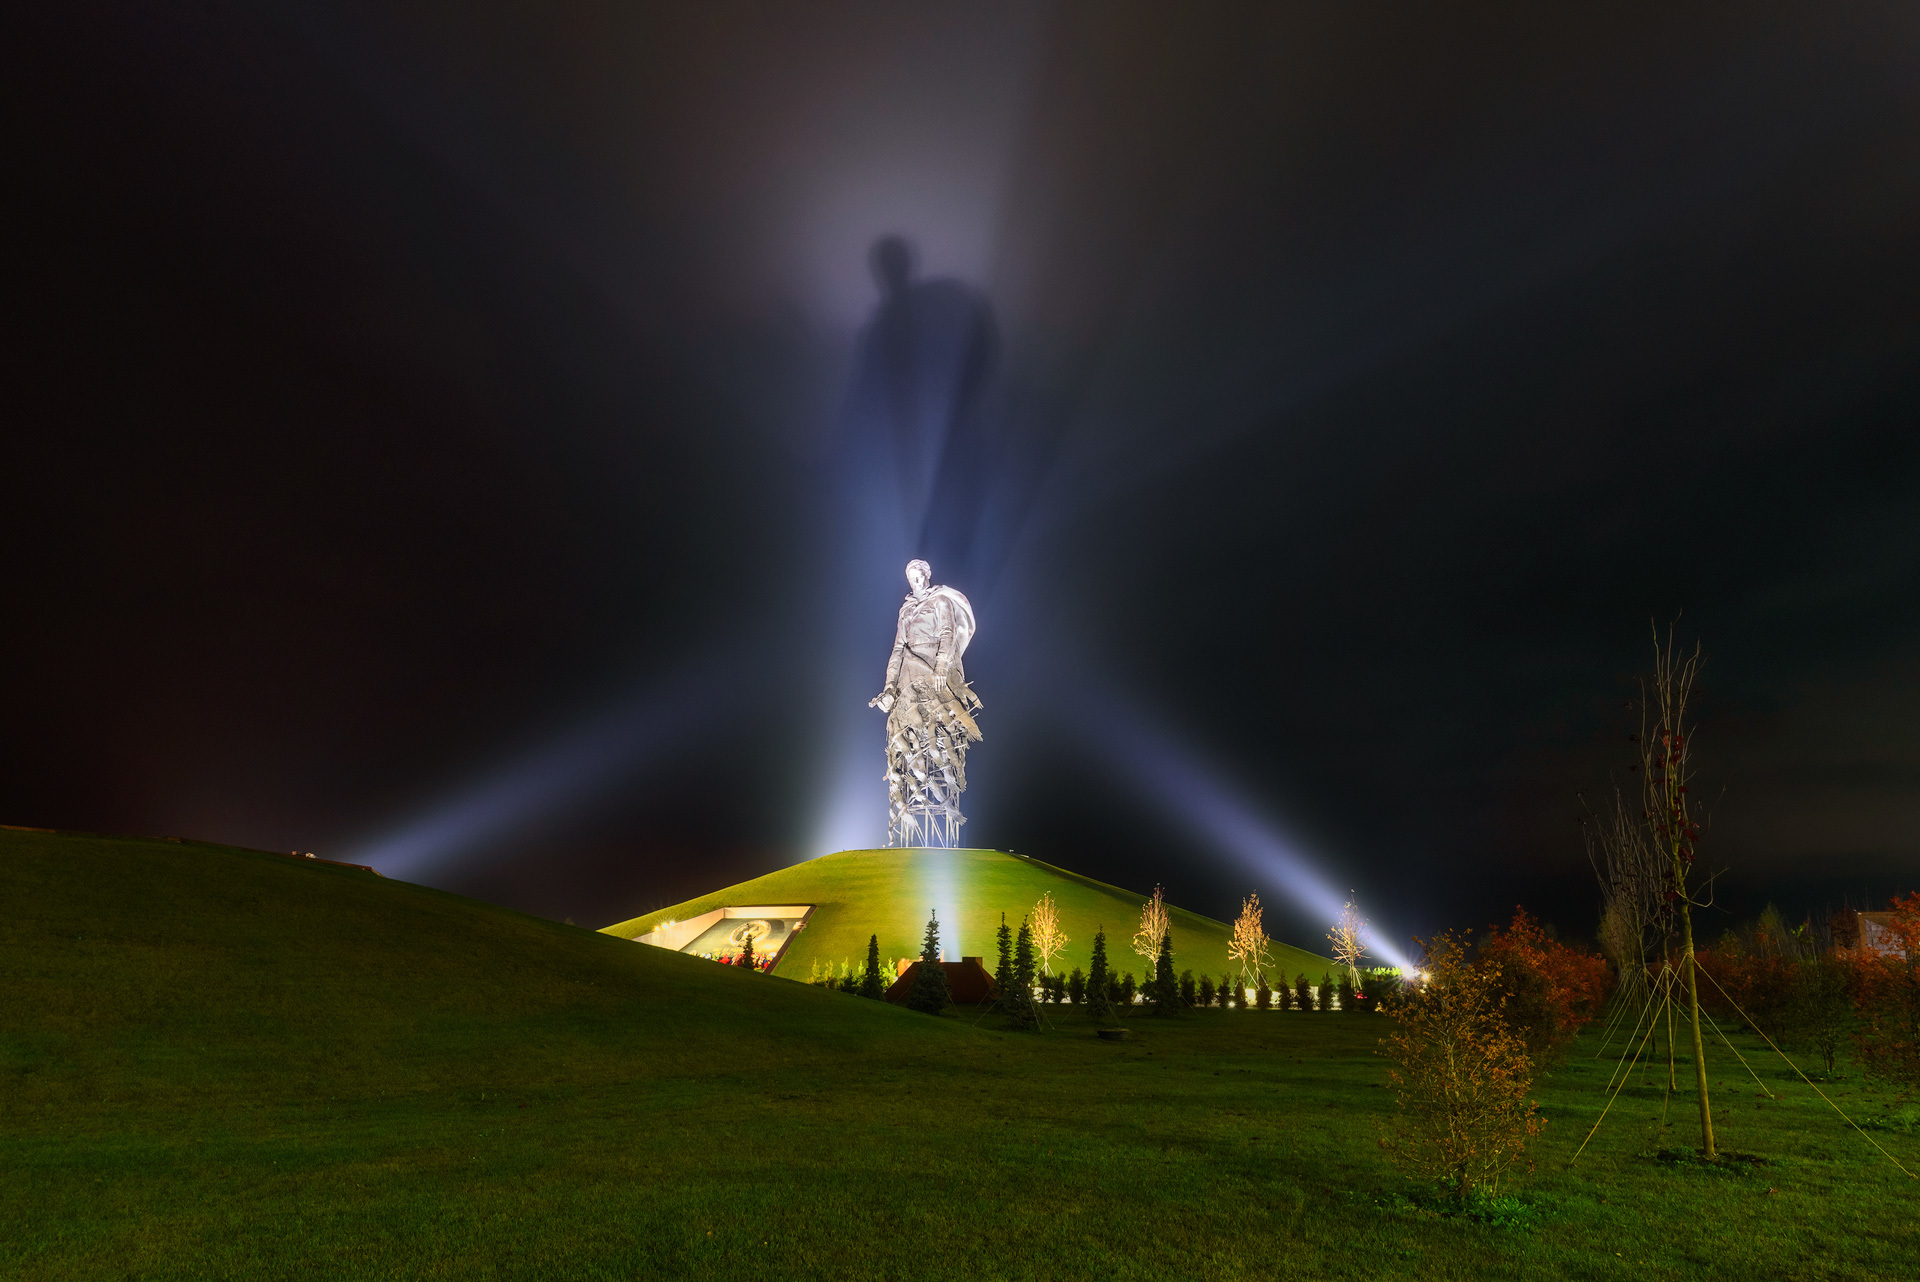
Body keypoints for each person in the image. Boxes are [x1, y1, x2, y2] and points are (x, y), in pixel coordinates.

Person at [870, 559, 982, 846]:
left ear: (927, 576)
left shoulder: (940, 600)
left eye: (918, 574)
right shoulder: (906, 609)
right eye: (910, 575)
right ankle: (906, 820)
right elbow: (897, 649)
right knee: (905, 741)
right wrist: (889, 688)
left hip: (935, 670)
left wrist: (943, 667)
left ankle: (947, 815)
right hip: (909, 671)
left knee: (941, 736)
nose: (915, 580)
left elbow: (947, 633)